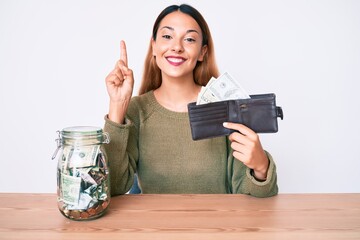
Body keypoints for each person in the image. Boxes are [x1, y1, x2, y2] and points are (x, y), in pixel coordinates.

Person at [103, 4, 278, 197]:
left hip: (215, 225)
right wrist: (117, 107)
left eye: (189, 39)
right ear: (154, 46)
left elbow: (251, 199)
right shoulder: (136, 110)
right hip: (155, 226)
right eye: (167, 36)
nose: (177, 47)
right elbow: (113, 187)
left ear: (202, 52)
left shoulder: (226, 107)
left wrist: (261, 167)